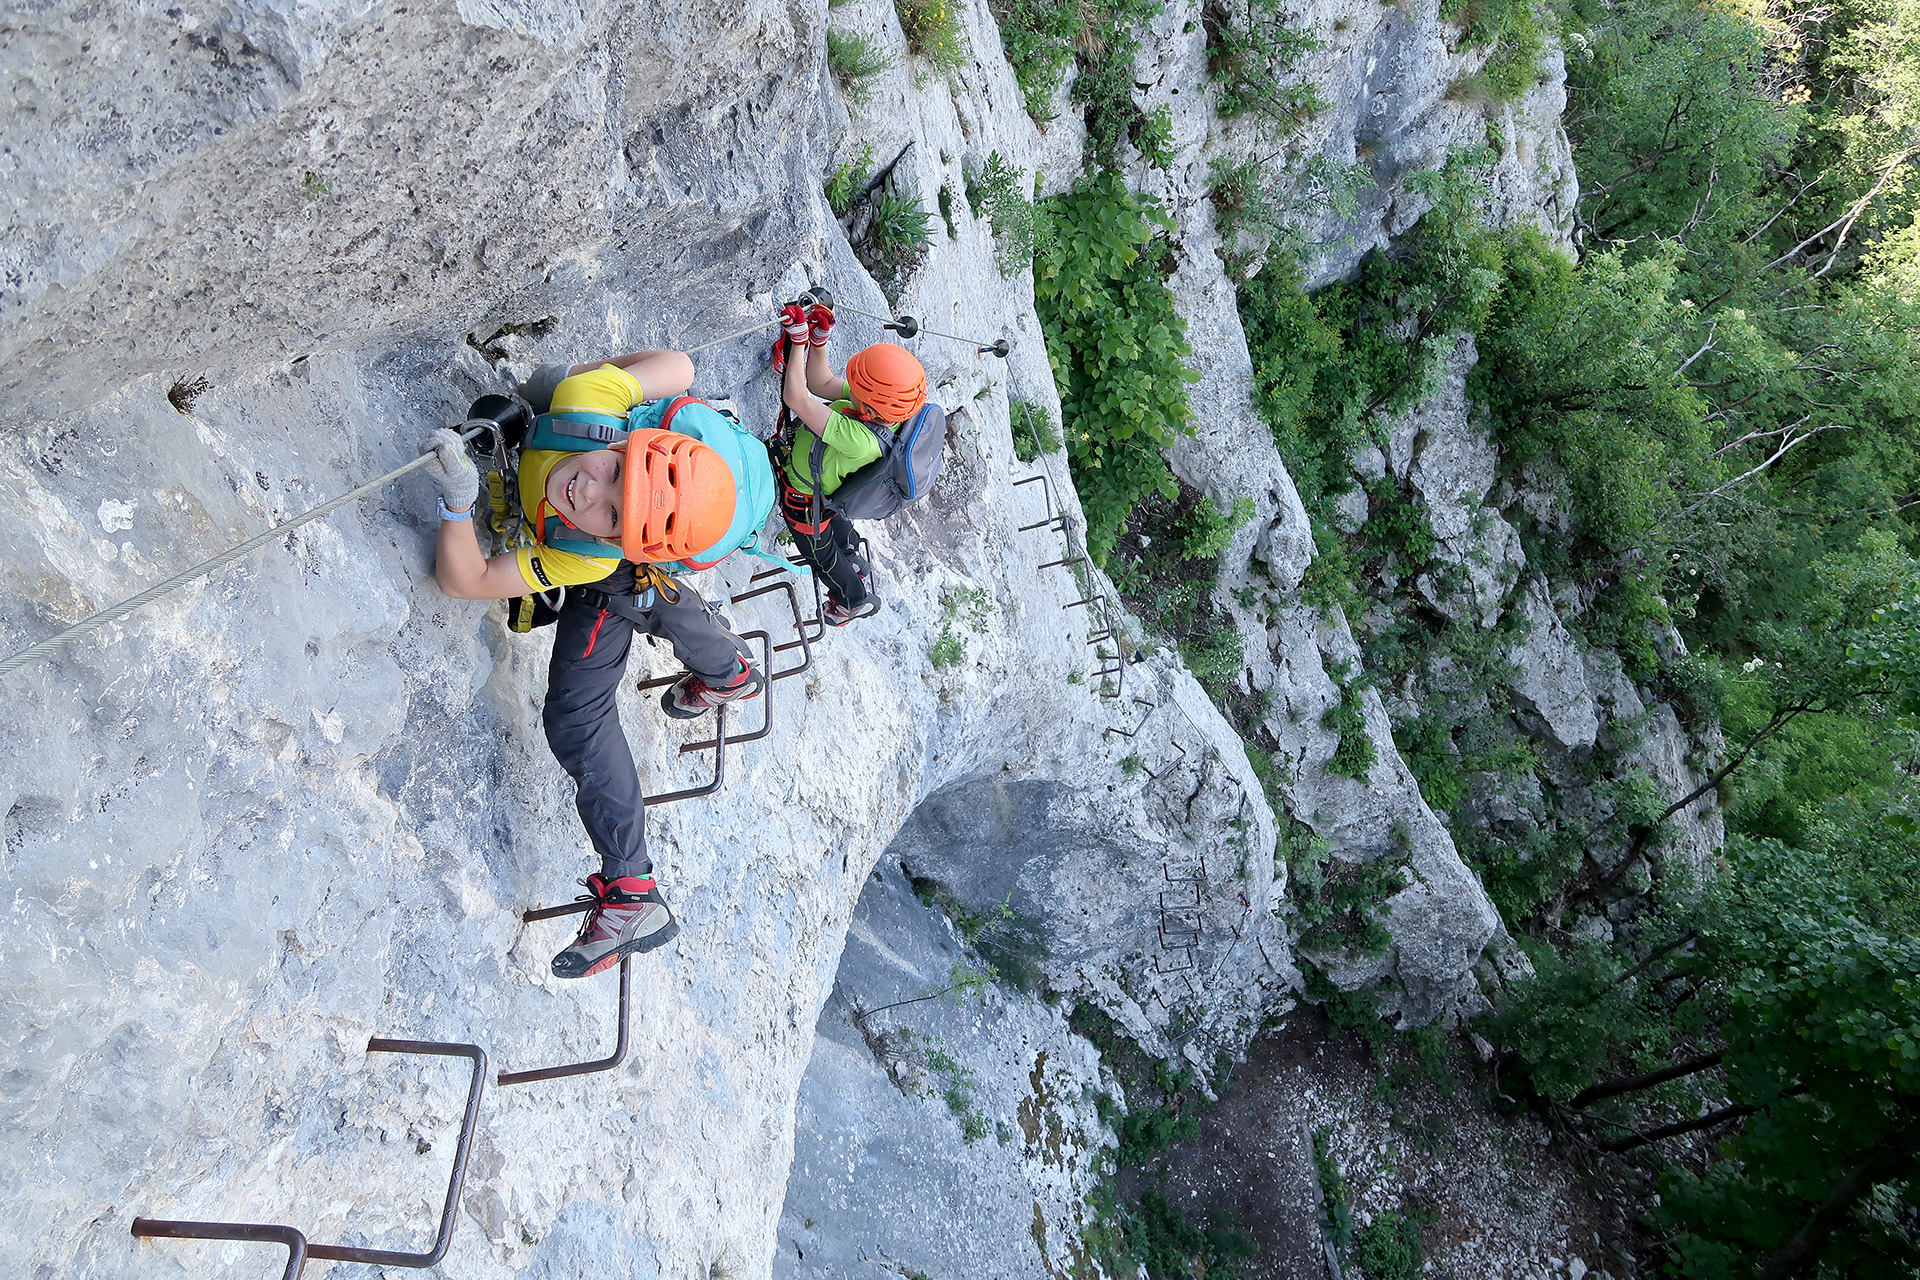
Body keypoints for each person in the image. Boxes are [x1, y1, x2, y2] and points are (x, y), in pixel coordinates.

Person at [420, 349, 765, 979]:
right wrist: (614, 390)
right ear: (628, 442)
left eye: (609, 512)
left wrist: (458, 506)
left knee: (581, 706)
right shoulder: (587, 402)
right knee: (630, 588)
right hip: (634, 543)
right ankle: (728, 668)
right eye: (613, 470)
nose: (587, 488)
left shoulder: (593, 559)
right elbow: (681, 368)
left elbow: (466, 579)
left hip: (619, 565)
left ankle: (631, 888)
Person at [775, 301, 928, 625]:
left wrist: (798, 342)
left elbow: (798, 398)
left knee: (821, 554)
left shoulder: (859, 439)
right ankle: (852, 554)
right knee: (835, 520)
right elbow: (820, 384)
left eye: (856, 387)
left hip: (804, 501)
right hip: (829, 492)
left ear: (870, 411)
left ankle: (851, 599)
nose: (850, 387)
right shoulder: (886, 413)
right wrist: (818, 341)